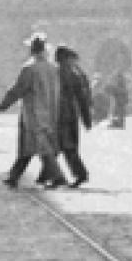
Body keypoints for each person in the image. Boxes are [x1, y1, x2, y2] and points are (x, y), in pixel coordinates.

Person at [0, 33, 63, 189]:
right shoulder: (53, 68)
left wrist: (4, 104)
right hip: (50, 112)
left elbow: (18, 89)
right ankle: (14, 176)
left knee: (38, 147)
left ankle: (57, 176)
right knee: (33, 146)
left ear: (31, 49)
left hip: (33, 113)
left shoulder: (29, 68)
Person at [42, 45, 93, 188]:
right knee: (66, 147)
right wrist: (86, 119)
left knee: (55, 147)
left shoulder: (54, 74)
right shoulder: (74, 75)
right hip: (70, 114)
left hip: (58, 115)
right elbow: (82, 99)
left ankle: (55, 177)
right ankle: (74, 174)